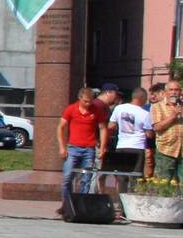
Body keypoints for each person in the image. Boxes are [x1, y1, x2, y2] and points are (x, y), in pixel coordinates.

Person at [58, 85, 109, 218]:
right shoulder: (71, 109)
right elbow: (61, 127)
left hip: (89, 148)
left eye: (90, 101)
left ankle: (81, 204)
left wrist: (102, 147)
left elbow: (103, 128)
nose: (88, 104)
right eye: (85, 101)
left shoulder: (96, 110)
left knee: (86, 178)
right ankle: (66, 203)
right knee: (67, 176)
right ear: (79, 98)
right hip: (73, 147)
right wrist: (62, 147)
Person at [109, 86, 153, 181]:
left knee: (122, 176)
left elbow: (111, 126)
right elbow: (149, 134)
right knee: (135, 176)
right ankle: (132, 194)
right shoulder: (145, 113)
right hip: (137, 147)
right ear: (142, 98)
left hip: (121, 146)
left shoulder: (119, 108)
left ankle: (121, 195)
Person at [152, 81, 183, 182]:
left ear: (180, 92)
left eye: (177, 90)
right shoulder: (157, 106)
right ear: (165, 92)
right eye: (171, 90)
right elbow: (157, 127)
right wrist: (173, 116)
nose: (174, 92)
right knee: (162, 184)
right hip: (166, 150)